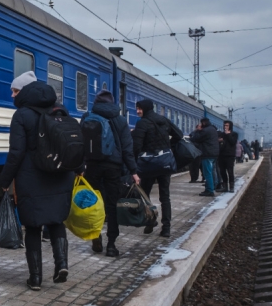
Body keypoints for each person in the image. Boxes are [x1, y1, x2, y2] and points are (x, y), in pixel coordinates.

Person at [0, 72, 74, 290]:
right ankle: (61, 264)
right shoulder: (60, 110)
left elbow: (16, 153)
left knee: (33, 227)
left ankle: (36, 278)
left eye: (14, 91)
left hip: (31, 178)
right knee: (56, 221)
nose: (12, 95)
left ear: (24, 92)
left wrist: (5, 180)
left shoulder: (21, 115)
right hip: (59, 175)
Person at [83, 90, 139, 257]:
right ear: (112, 102)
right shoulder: (120, 120)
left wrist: (80, 166)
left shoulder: (88, 116)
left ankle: (95, 235)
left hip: (92, 166)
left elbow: (81, 142)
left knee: (94, 203)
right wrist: (134, 171)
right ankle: (112, 245)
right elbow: (128, 149)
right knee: (112, 205)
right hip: (113, 167)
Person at [132, 99, 183, 238]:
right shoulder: (163, 120)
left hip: (148, 164)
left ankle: (150, 220)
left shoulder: (142, 123)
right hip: (164, 163)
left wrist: (134, 163)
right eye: (137, 108)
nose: (138, 111)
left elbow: (136, 146)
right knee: (165, 197)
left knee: (145, 194)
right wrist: (167, 147)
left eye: (140, 108)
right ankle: (166, 228)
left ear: (146, 109)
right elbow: (179, 134)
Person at [190, 118, 220, 197]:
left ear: (203, 123)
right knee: (213, 171)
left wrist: (197, 130)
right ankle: (211, 187)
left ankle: (210, 190)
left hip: (207, 153)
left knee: (207, 173)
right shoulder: (213, 129)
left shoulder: (205, 131)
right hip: (214, 154)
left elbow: (195, 138)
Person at [217, 120, 239, 193]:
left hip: (230, 156)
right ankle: (225, 186)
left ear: (230, 126)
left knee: (230, 171)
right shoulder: (222, 134)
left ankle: (231, 187)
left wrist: (228, 134)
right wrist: (219, 140)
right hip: (222, 155)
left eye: (226, 125)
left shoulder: (234, 134)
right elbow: (219, 141)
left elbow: (233, 142)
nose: (225, 127)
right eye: (224, 125)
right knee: (222, 171)